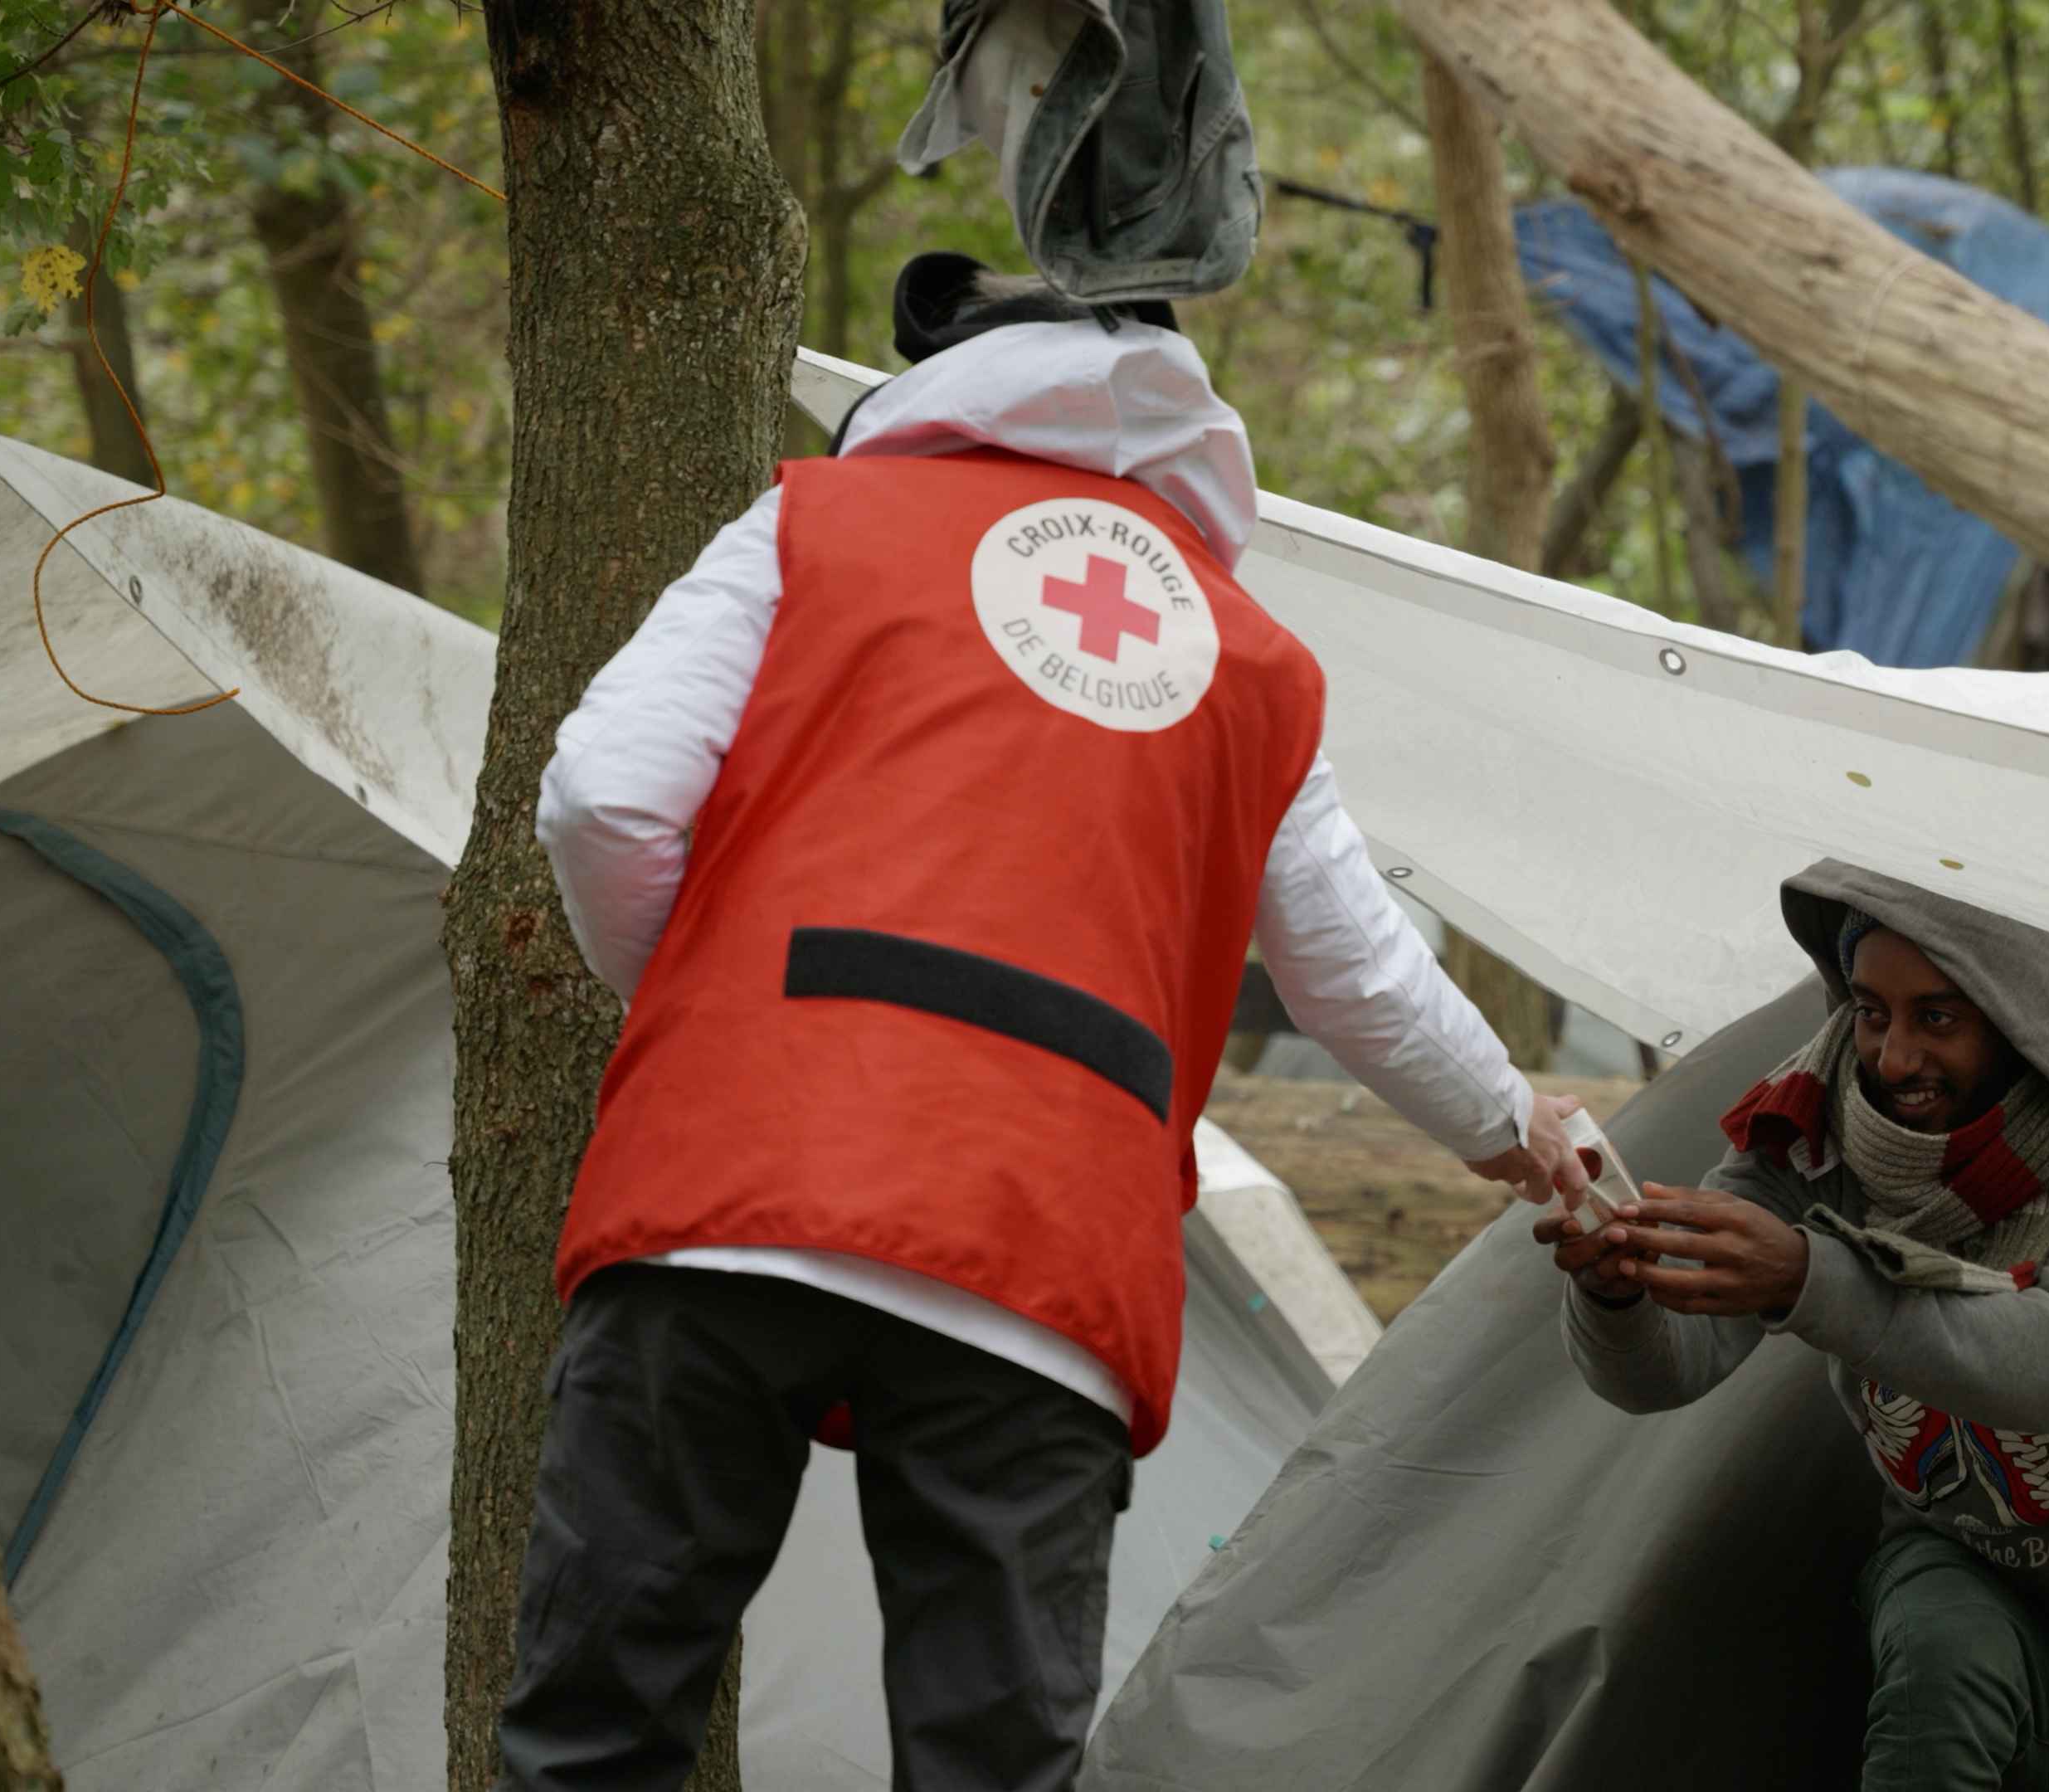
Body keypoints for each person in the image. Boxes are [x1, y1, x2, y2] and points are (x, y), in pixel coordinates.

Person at [498, 253, 1589, 1792]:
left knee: (594, 1737)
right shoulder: (1252, 659)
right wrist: (1516, 1126)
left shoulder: (818, 519)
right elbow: (1359, 971)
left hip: (729, 1187)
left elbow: (605, 795)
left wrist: (714, 1031)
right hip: (1050, 1246)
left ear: (943, 379)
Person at [1543, 859, 2049, 1792]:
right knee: (1942, 1648)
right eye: (1871, 1011)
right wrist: (1617, 1291)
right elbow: (1671, 1368)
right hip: (1966, 1572)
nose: (1895, 1060)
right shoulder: (1821, 1124)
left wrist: (1810, 1277)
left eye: (1938, 1018)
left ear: (2024, 1017)